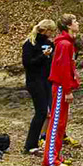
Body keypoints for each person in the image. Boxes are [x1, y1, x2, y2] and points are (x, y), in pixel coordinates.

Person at [43, 13, 81, 166]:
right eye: (75, 21)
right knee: (56, 123)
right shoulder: (64, 44)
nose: (78, 24)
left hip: (63, 87)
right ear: (68, 25)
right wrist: (67, 90)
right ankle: (50, 159)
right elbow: (63, 69)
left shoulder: (70, 43)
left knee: (61, 124)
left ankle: (56, 154)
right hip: (60, 87)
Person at [23, 19, 55, 155]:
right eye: (50, 31)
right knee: (41, 111)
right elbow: (27, 63)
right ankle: (30, 144)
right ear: (44, 30)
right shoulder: (30, 44)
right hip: (34, 81)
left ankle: (42, 139)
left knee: (47, 112)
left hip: (47, 81)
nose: (51, 34)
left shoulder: (49, 43)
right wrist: (43, 56)